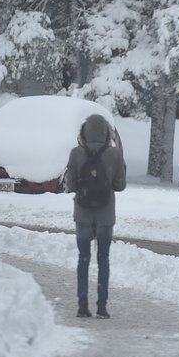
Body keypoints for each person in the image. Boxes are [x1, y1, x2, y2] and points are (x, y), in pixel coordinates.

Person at [65, 114, 126, 319]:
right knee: (103, 258)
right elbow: (120, 185)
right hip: (105, 213)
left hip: (82, 212)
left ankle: (82, 304)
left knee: (83, 258)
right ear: (107, 132)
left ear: (84, 132)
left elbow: (70, 184)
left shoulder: (76, 153)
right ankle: (102, 305)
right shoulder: (115, 154)